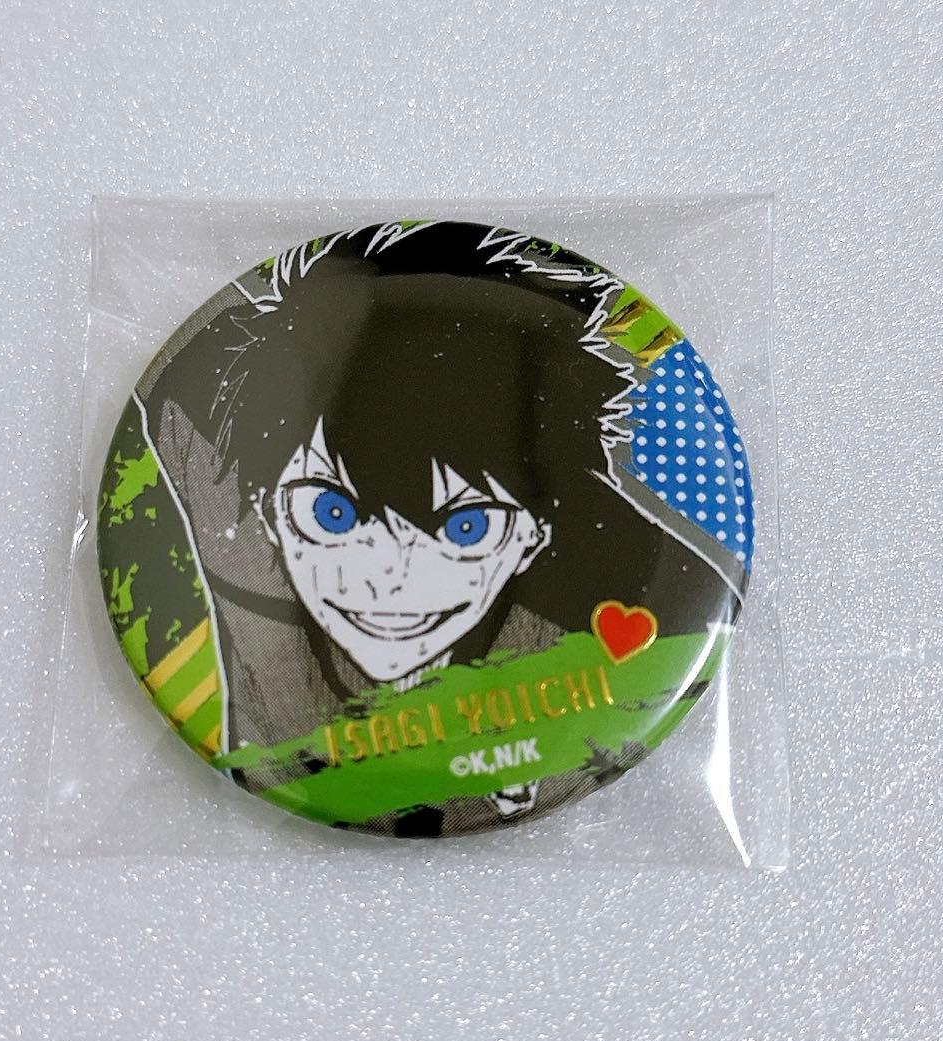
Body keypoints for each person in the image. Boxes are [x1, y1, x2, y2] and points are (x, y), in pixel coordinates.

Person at [142, 223, 738, 835]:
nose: (386, 582)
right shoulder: (229, 521)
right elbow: (186, 396)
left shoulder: (599, 655)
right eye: (332, 515)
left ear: (537, 532)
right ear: (267, 509)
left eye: (466, 529)